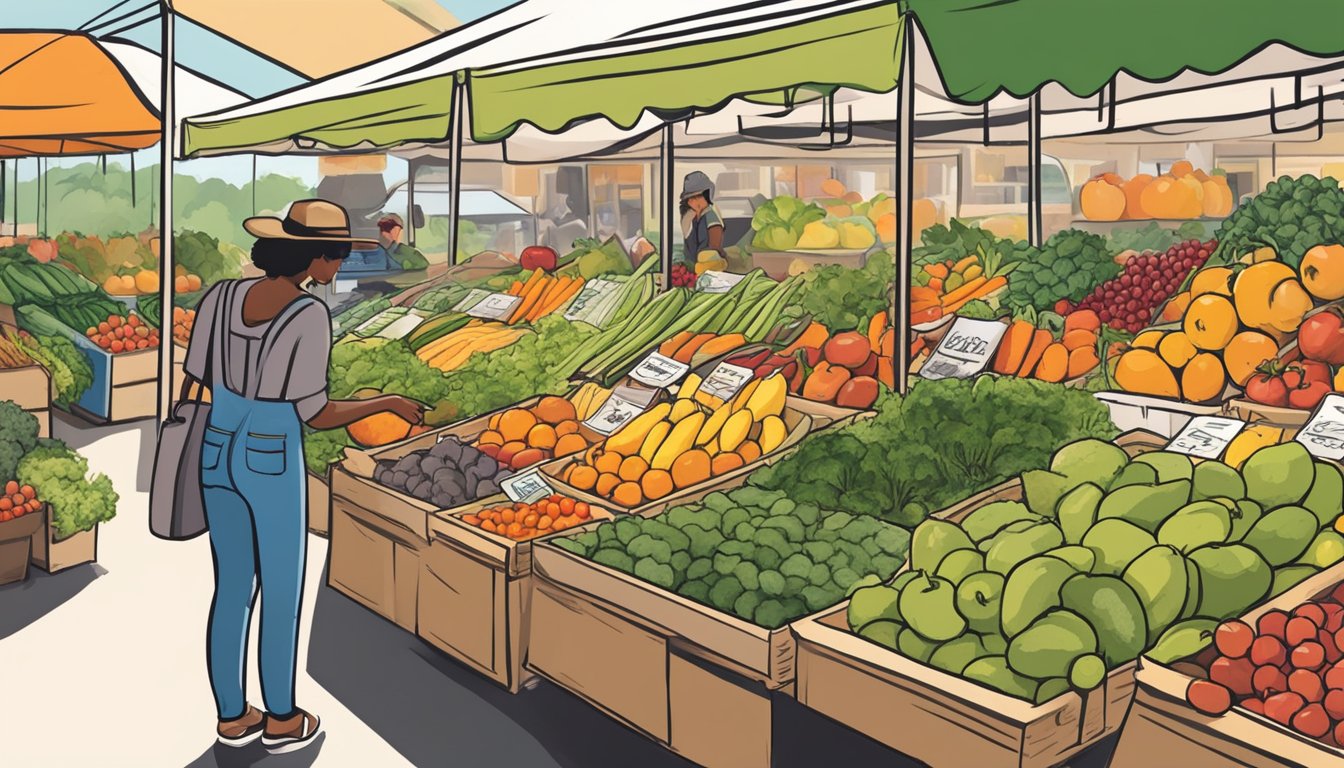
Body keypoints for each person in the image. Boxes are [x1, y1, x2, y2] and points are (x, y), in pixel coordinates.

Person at [181, 200, 424, 754]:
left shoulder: (220, 297)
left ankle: (232, 716)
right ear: (313, 257)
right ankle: (284, 718)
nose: (337, 266)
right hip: (270, 453)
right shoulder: (308, 314)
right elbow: (313, 412)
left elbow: (197, 371)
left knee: (233, 585)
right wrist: (382, 402)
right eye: (334, 256)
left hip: (216, 444)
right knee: (283, 587)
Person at [680, 171, 725, 260]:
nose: (694, 201)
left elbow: (715, 247)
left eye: (699, 196)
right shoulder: (691, 219)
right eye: (691, 198)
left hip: (707, 265)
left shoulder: (711, 216)